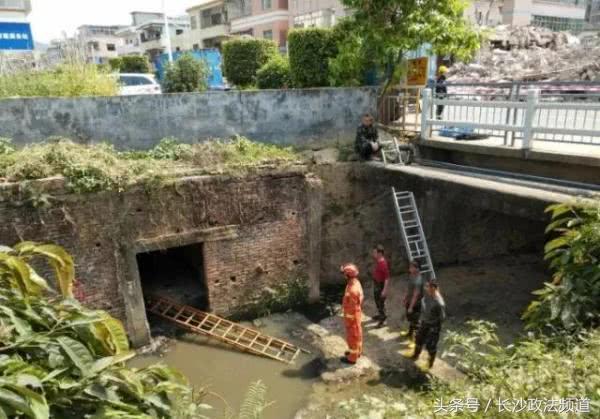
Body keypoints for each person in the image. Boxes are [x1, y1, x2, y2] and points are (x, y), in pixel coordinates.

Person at [410, 279, 446, 369]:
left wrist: (433, 324)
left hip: (433, 326)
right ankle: (415, 355)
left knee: (431, 345)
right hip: (425, 322)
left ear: (433, 288)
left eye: (429, 287)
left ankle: (430, 363)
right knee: (418, 338)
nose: (427, 289)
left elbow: (442, 318)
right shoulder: (429, 295)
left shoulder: (439, 303)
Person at [340, 263, 364, 365]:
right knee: (357, 334)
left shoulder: (352, 290)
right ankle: (357, 352)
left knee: (352, 336)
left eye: (344, 273)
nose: (343, 275)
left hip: (352, 317)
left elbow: (352, 307)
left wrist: (348, 320)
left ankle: (352, 358)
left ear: (347, 275)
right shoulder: (355, 282)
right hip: (356, 314)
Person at [403, 260, 424, 341]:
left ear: (417, 269)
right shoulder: (412, 276)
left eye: (411, 267)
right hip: (410, 301)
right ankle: (410, 333)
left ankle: (416, 340)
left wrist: (411, 307)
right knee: (411, 319)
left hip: (415, 303)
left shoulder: (418, 280)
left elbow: (416, 295)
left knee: (416, 322)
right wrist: (405, 298)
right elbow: (409, 289)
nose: (409, 269)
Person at [372, 245, 390, 327]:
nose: (373, 254)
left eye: (375, 252)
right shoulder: (378, 261)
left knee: (381, 302)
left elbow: (387, 278)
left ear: (379, 253)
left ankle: (382, 320)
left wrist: (384, 290)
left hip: (380, 285)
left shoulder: (383, 263)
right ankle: (380, 315)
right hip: (377, 284)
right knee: (377, 301)